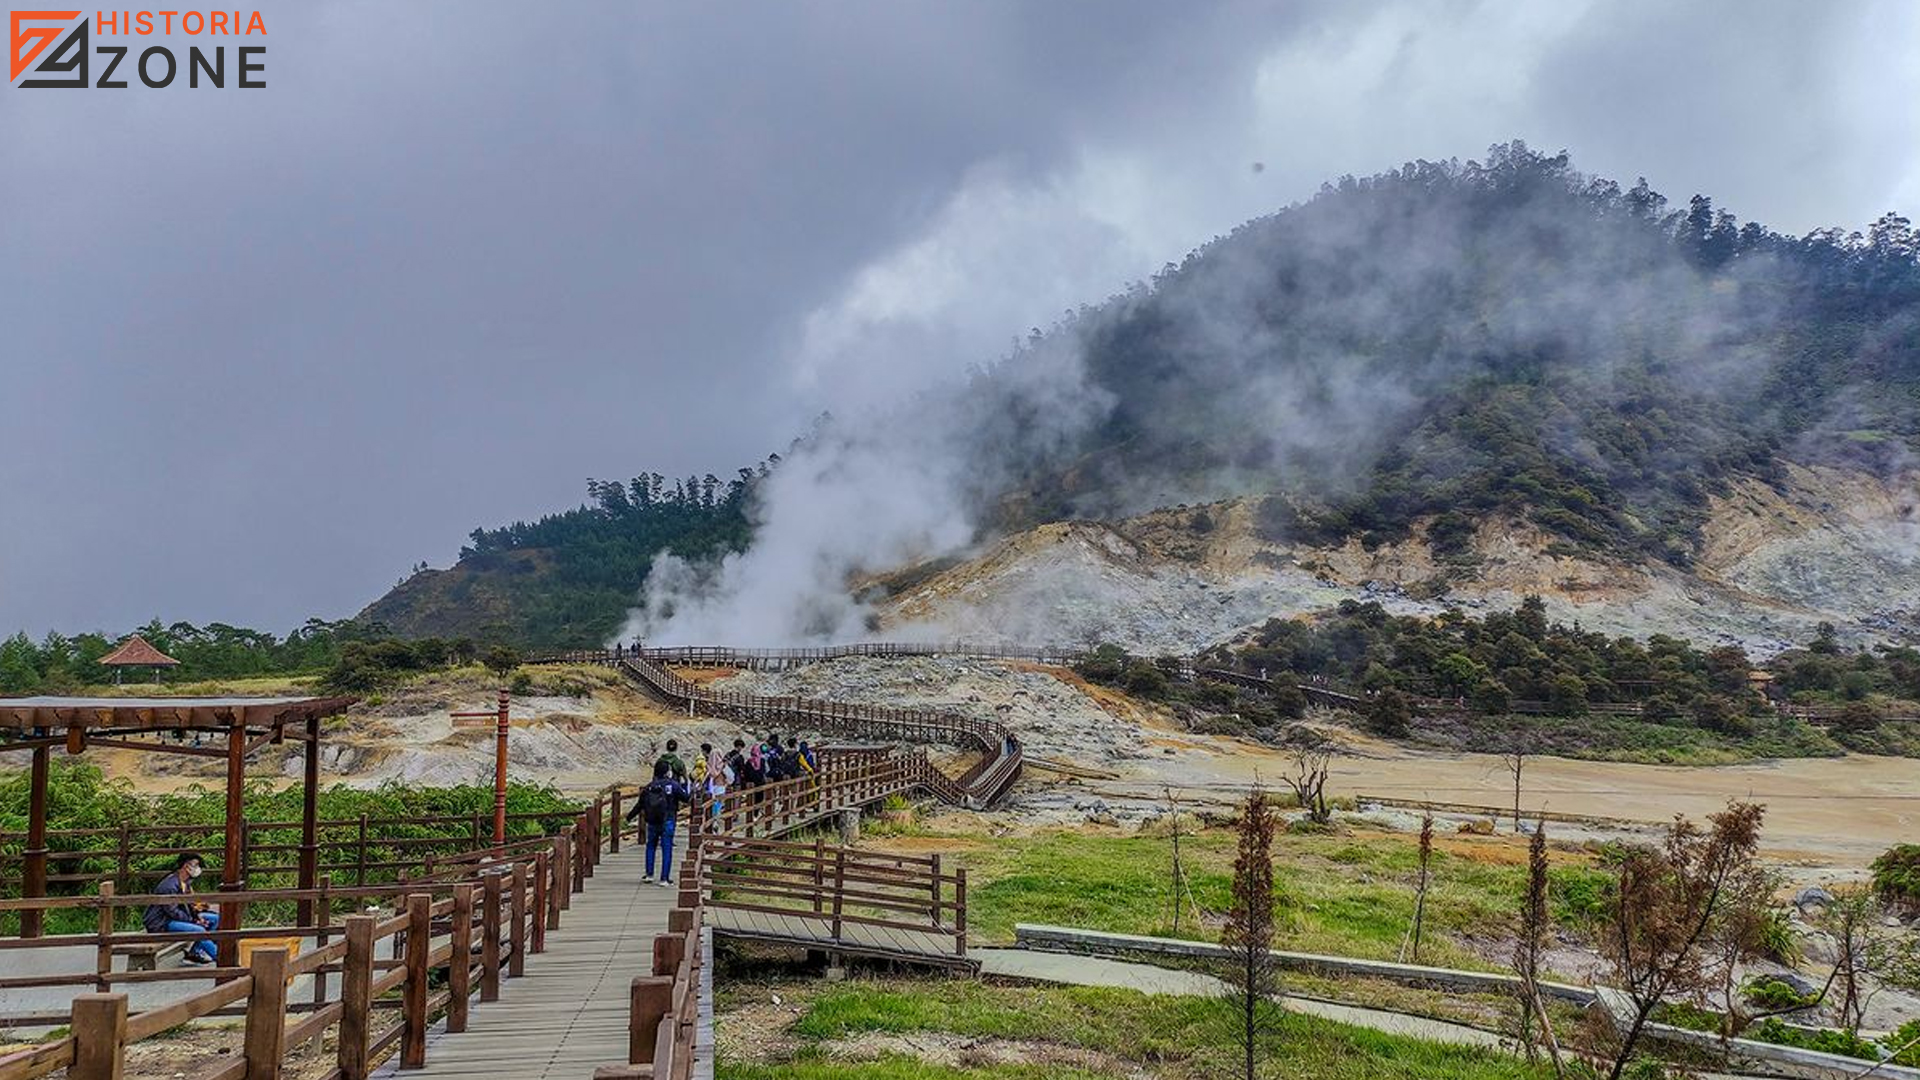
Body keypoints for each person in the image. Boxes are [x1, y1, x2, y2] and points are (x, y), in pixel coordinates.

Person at [142, 853, 218, 965]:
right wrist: (194, 921)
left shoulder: (185, 883)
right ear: (186, 866)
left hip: (176, 918)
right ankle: (221, 957)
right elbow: (172, 912)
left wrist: (197, 917)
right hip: (162, 922)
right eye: (195, 865)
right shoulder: (169, 886)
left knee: (215, 919)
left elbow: (189, 905)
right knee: (199, 931)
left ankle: (195, 953)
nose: (198, 868)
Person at [628, 761, 690, 885]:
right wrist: (686, 786)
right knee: (666, 848)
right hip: (668, 819)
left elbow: (640, 804)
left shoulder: (650, 786)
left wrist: (630, 817)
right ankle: (664, 878)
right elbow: (686, 798)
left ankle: (649, 874)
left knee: (650, 846)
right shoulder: (673, 785)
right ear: (668, 772)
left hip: (652, 821)